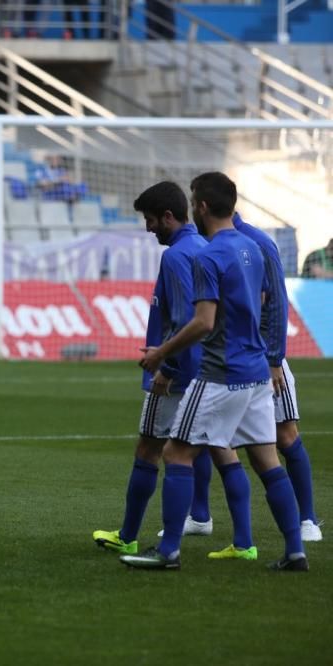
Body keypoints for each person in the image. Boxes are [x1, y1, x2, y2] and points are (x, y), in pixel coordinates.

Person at [124, 172, 307, 571]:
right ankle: (295, 550)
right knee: (266, 460)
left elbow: (203, 321)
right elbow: (261, 301)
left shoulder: (208, 256)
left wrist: (161, 354)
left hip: (222, 372)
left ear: (202, 207)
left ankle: (168, 550)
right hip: (258, 371)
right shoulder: (252, 248)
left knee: (175, 452)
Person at [92, 182, 253, 557]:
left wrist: (168, 367)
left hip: (177, 373)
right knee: (221, 447)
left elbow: (186, 318)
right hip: (213, 371)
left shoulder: (179, 256)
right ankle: (243, 541)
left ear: (168, 216)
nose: (148, 228)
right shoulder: (205, 247)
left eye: (150, 220)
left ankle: (129, 535)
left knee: (150, 447)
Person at [180, 213, 323, 542]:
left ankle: (308, 520)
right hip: (226, 363)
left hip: (262, 361)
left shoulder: (259, 243)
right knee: (212, 443)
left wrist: (274, 359)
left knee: (285, 437)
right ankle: (201, 516)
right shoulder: (211, 244)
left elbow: (276, 304)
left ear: (206, 207)